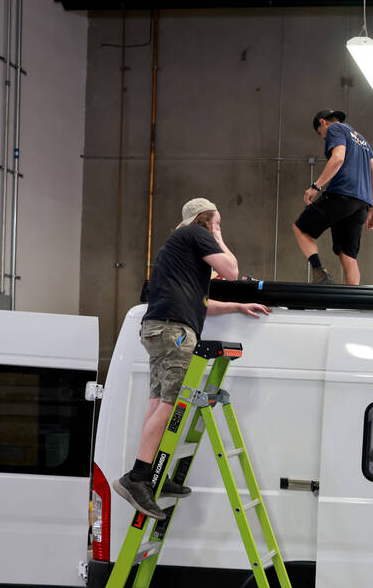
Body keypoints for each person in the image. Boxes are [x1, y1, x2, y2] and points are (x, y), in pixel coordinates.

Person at [113, 198, 272, 520]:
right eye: (218, 222)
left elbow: (202, 303)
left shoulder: (181, 254)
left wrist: (237, 307)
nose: (219, 229)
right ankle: (139, 478)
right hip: (174, 332)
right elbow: (231, 270)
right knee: (170, 404)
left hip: (160, 328)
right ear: (205, 220)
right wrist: (216, 234)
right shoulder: (195, 234)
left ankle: (154, 473)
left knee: (159, 402)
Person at [293, 110, 373, 286]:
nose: (325, 139)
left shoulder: (335, 129)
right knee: (348, 255)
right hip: (362, 203)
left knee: (301, 229)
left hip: (342, 193)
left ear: (322, 122)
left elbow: (338, 158)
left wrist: (315, 187)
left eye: (321, 135)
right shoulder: (363, 141)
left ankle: (320, 274)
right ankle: (353, 302)